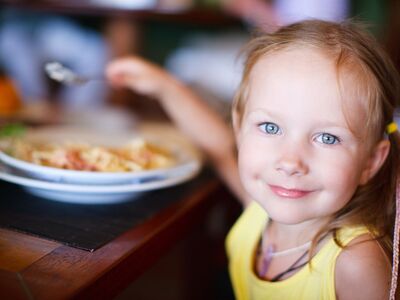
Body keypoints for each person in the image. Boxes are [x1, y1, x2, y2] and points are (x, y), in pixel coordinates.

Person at [106, 20, 400, 299]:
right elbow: (218, 145)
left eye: (327, 138)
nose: (290, 162)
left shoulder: (357, 263)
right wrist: (163, 86)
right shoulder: (258, 213)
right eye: (270, 127)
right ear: (240, 128)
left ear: (371, 162)